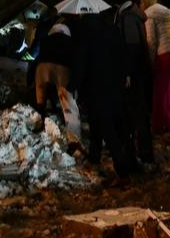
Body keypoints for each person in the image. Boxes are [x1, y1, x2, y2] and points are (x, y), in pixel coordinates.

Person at [70, 10, 135, 181]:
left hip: (95, 84)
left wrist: (73, 84)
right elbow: (123, 51)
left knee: (102, 121)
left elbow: (80, 60)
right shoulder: (112, 29)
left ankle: (121, 163)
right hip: (115, 81)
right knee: (112, 119)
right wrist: (126, 74)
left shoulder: (83, 32)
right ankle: (95, 154)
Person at [117, 0, 157, 165]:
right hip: (141, 73)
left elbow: (131, 48)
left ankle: (142, 154)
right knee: (139, 114)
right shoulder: (135, 17)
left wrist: (127, 73)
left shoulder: (128, 18)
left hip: (134, 75)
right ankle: (142, 152)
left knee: (136, 114)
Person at [35, 16, 82, 147]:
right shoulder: (70, 42)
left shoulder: (46, 39)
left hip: (42, 69)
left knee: (41, 99)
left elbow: (37, 59)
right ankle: (74, 138)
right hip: (62, 70)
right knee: (68, 104)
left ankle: (39, 121)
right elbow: (74, 63)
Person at [145, 0, 170, 134]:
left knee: (160, 91)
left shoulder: (149, 14)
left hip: (163, 53)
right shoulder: (165, 11)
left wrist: (151, 60)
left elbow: (151, 40)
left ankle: (162, 123)